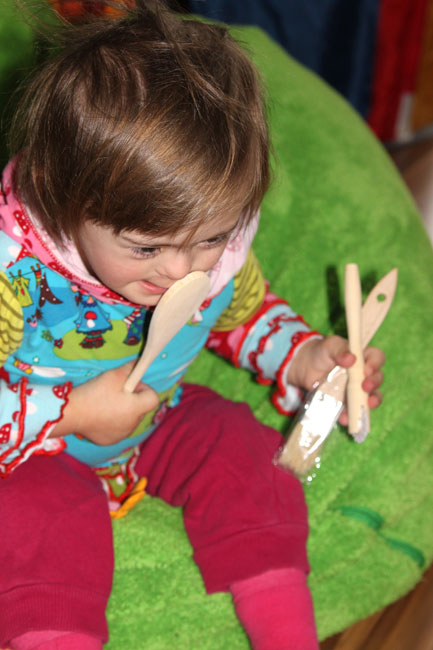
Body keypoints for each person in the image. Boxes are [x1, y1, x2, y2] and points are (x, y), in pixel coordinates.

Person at [0, 2, 385, 649]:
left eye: (208, 238)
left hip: (158, 418)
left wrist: (305, 359)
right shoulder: (15, 276)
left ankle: (287, 632)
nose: (181, 270)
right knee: (38, 523)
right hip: (36, 450)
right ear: (58, 191)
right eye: (145, 247)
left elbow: (243, 314)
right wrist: (72, 415)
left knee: (246, 454)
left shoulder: (212, 246)